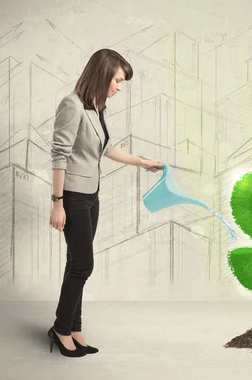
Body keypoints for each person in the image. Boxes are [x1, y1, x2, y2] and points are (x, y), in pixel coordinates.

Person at [47, 48, 163, 358]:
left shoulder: (97, 107)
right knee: (83, 264)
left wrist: (143, 162)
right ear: (102, 75)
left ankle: (74, 327)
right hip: (71, 196)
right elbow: (60, 155)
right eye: (117, 80)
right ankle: (60, 328)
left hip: (91, 195)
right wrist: (57, 202)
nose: (119, 88)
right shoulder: (71, 105)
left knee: (77, 263)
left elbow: (107, 148)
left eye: (122, 82)